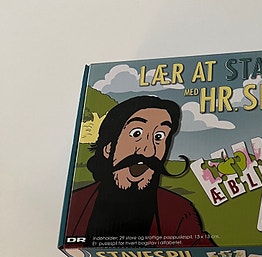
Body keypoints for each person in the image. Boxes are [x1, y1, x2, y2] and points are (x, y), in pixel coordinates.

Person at [65, 95, 215, 247]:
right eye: (136, 134)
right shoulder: (76, 204)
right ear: (108, 148)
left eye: (159, 136)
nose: (149, 151)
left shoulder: (180, 212)